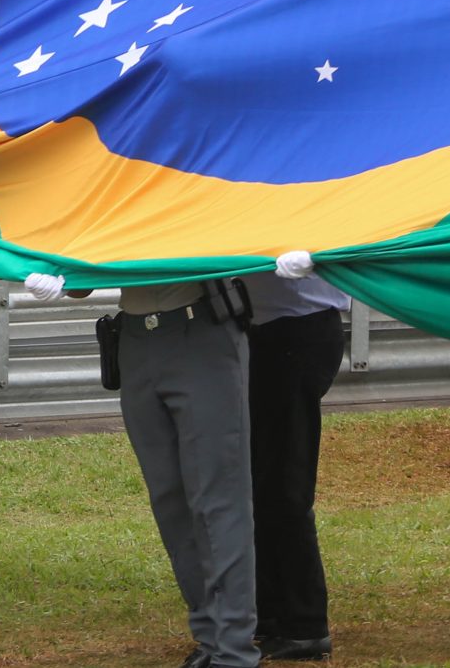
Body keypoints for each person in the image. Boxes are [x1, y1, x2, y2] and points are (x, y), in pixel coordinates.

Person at [118, 278, 258, 668]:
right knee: (170, 500)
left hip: (200, 330)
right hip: (133, 337)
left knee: (218, 498)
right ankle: (210, 636)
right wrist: (56, 269)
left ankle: (233, 651)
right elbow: (81, 281)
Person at [244, 269, 350, 661]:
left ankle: (304, 625)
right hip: (267, 330)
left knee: (283, 482)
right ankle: (270, 613)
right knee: (261, 481)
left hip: (296, 329)